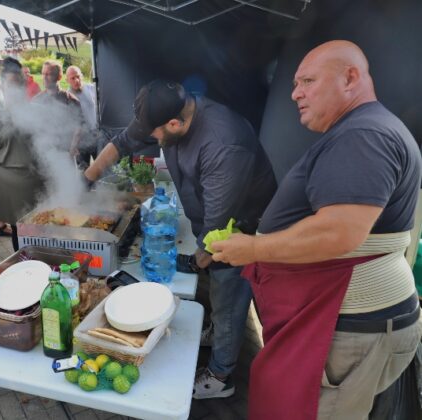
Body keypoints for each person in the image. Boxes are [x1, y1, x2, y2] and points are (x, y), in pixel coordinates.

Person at [211, 40, 422, 419]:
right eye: (294, 83)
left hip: (347, 327)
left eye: (307, 80)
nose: (295, 93)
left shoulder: (364, 136)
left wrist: (253, 250)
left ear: (350, 78)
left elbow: (338, 233)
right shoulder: (363, 129)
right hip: (340, 321)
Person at [83, 80, 276, 399]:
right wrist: (86, 179)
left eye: (156, 134)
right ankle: (216, 333)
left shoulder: (223, 143)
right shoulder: (165, 111)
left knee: (227, 293)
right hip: (212, 216)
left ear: (174, 123)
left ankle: (220, 376)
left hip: (238, 229)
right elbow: (122, 142)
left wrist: (198, 260)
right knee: (216, 293)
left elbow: (216, 227)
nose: (152, 139)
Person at [0, 57, 47, 251]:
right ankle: (24, 265)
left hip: (39, 183)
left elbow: (51, 147)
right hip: (10, 188)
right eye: (10, 85)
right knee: (21, 232)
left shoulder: (38, 112)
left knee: (44, 228)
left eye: (18, 84)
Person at [33, 60, 84, 162]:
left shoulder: (70, 99)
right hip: (44, 154)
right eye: (43, 74)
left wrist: (71, 151)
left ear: (59, 77)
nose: (44, 78)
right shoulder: (36, 100)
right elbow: (33, 129)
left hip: (65, 153)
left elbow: (79, 127)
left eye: (49, 74)